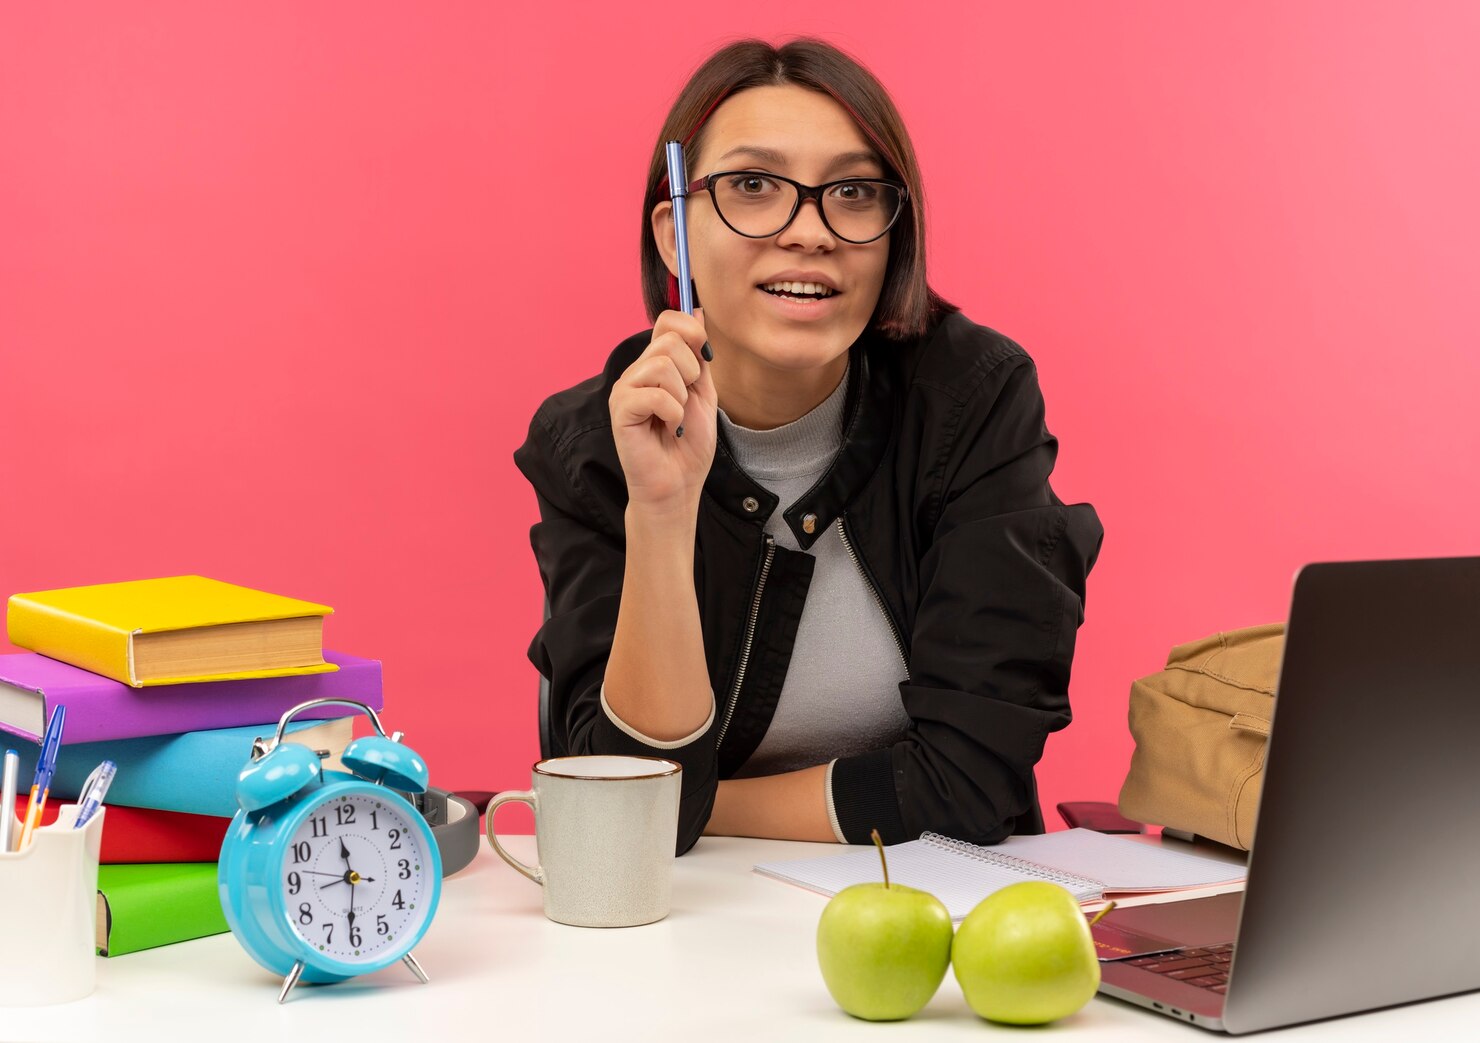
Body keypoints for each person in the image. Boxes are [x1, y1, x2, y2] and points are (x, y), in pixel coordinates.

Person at [514, 38, 1103, 855]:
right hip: (685, 933)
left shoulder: (972, 400)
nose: (810, 231)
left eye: (854, 192)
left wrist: (700, 803)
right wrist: (660, 509)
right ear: (675, 235)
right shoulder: (593, 443)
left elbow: (969, 782)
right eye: (754, 186)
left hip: (931, 910)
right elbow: (621, 807)